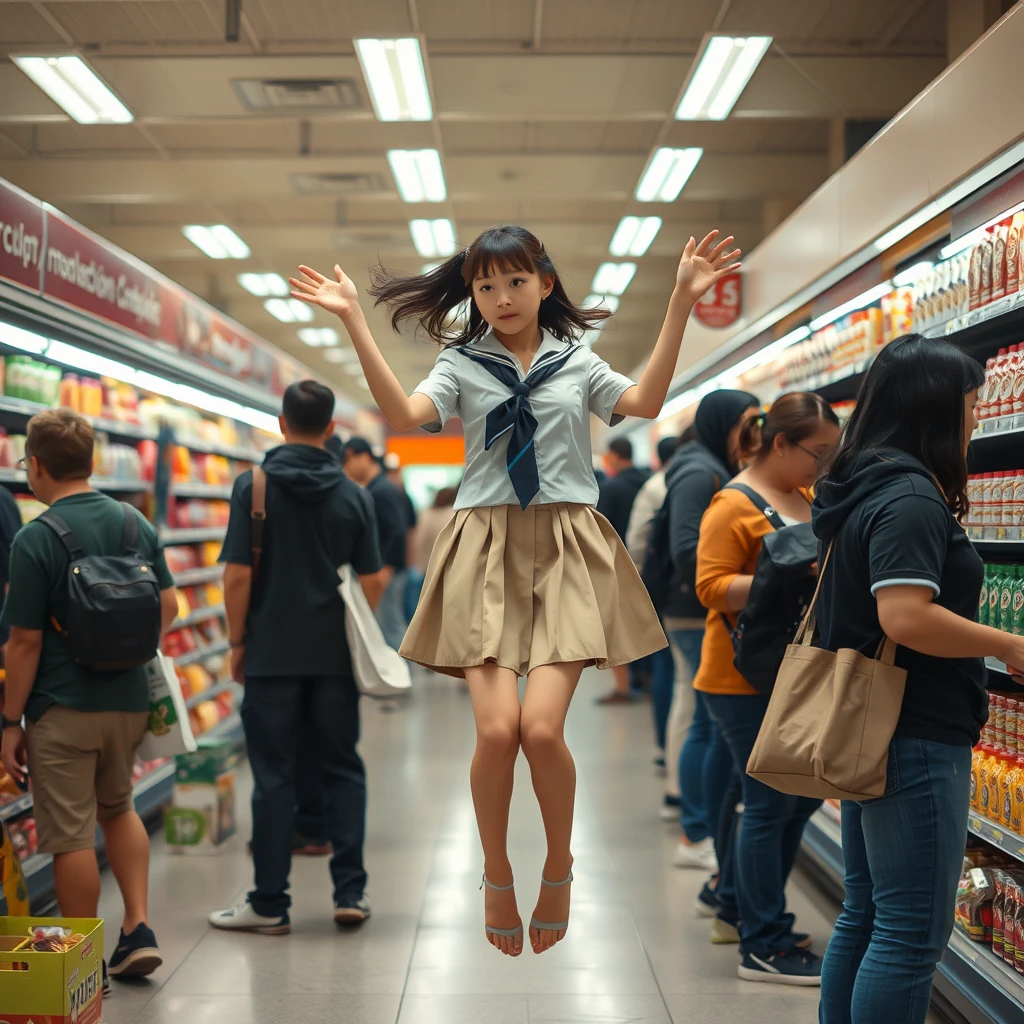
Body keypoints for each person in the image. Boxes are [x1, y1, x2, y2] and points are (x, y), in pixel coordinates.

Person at [288, 223, 741, 956]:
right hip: (485, 546)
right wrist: (350, 319)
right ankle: (496, 870)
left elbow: (649, 402)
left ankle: (558, 866)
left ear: (545, 283)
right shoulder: (461, 363)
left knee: (540, 730)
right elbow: (405, 416)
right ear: (473, 293)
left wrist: (681, 303)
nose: (501, 296)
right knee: (497, 731)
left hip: (567, 545)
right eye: (485, 285)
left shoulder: (577, 362)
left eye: (515, 281)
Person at [813, 335, 1024, 1022]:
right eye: (969, 404)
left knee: (868, 912)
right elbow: (905, 616)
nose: (975, 419)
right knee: (908, 935)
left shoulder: (865, 482)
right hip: (914, 730)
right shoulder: (909, 496)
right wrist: (1010, 644)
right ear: (934, 409)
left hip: (873, 723)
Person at [0, 409, 178, 986]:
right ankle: (138, 928)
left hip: (62, 706)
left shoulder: (36, 537)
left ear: (41, 466)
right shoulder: (134, 523)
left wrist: (10, 722)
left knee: (70, 834)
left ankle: (82, 963)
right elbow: (168, 608)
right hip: (127, 702)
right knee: (119, 807)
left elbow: (23, 643)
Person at [208, 381, 386, 935]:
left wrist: (238, 641)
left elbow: (237, 574)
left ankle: (269, 903)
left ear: (281, 424)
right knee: (342, 769)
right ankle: (350, 894)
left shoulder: (252, 487)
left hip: (270, 656)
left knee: (273, 776)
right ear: (331, 430)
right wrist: (353, 630)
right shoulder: (354, 494)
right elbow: (374, 579)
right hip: (335, 657)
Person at [694, 392, 840, 984]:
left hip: (789, 674)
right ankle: (762, 941)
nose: (822, 465)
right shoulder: (732, 504)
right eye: (817, 452)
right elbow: (709, 585)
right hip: (738, 678)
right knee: (769, 804)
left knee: (798, 798)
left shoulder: (801, 495)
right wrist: (779, 574)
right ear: (780, 444)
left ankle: (739, 907)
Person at [663, 393, 759, 878]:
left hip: (703, 609)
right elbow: (684, 546)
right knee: (706, 723)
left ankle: (699, 829)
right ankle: (697, 831)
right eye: (747, 423)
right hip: (698, 611)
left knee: (705, 722)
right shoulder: (701, 470)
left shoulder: (712, 464)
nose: (755, 433)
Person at [623, 434, 683, 760]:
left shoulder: (655, 486)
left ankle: (664, 746)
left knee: (665, 668)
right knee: (677, 676)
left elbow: (637, 542)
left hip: (657, 588)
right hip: (678, 594)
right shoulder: (673, 483)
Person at [596, 437, 653, 704]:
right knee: (647, 623)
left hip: (618, 565)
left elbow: (600, 531)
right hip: (649, 565)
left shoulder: (611, 487)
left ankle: (623, 688)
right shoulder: (648, 481)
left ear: (615, 456)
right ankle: (646, 680)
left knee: (617, 627)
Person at [342, 437, 410, 651]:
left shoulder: (380, 490)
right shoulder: (376, 488)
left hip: (385, 571)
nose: (346, 467)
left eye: (348, 460)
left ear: (363, 457)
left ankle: (400, 682)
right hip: (383, 570)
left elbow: (398, 530)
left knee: (390, 628)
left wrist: (387, 568)